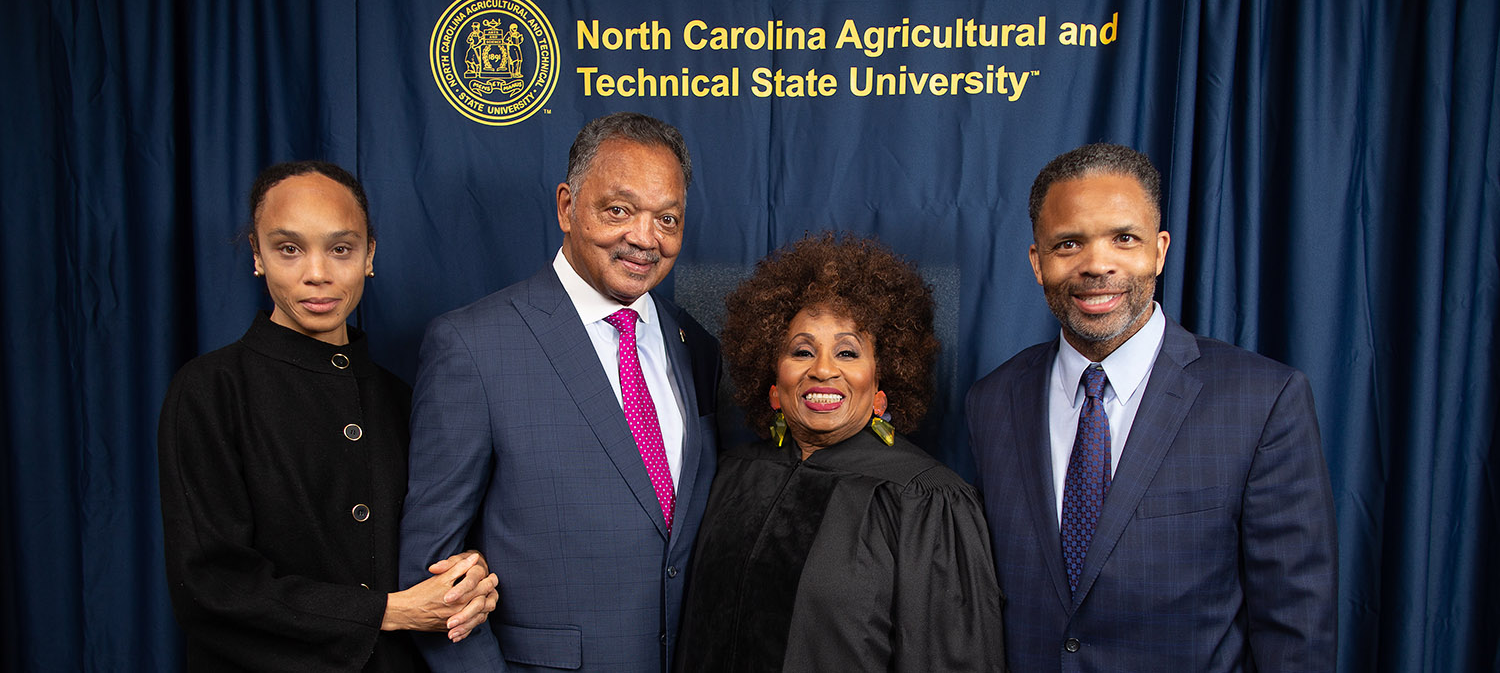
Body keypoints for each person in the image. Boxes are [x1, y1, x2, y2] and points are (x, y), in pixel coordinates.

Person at [966, 143, 1337, 671]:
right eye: (1068, 243)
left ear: (1159, 251)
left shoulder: (1263, 401)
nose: (1097, 265)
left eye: (1124, 238)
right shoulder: (992, 401)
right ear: (1037, 262)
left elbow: (1295, 627)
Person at [399, 112, 721, 672]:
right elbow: (434, 575)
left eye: (667, 218)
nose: (645, 238)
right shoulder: (472, 345)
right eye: (618, 210)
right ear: (567, 207)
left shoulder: (694, 344)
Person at [158, 160, 499, 672]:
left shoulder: (403, 399)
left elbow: (443, 541)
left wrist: (470, 577)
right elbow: (211, 584)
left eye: (341, 249)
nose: (317, 274)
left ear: (369, 255)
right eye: (289, 249)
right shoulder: (209, 390)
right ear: (257, 254)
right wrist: (390, 611)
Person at [675, 233, 1006, 672]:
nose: (823, 369)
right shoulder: (734, 476)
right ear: (775, 386)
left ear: (880, 386)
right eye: (802, 351)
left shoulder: (925, 502)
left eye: (847, 352)